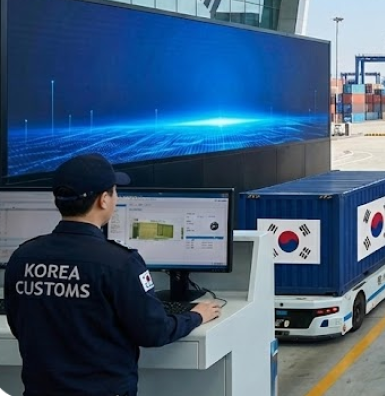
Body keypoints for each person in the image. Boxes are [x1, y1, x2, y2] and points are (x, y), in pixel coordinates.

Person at [3, 153, 222, 396]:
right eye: (114, 191)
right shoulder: (121, 263)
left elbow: (19, 324)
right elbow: (153, 332)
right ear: (104, 200)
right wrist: (195, 316)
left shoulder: (22, 257)